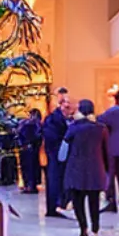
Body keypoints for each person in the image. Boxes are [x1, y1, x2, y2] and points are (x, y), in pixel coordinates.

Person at [59, 99, 110, 236]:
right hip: (96, 171)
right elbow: (106, 153)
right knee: (94, 203)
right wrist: (106, 172)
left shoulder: (74, 128)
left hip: (76, 171)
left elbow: (63, 153)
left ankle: (83, 231)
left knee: (78, 203)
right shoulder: (101, 129)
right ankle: (96, 233)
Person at [41, 88, 73, 218]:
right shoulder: (53, 119)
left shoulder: (62, 119)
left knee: (59, 181)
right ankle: (53, 207)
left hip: (59, 155)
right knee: (54, 180)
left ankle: (59, 204)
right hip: (55, 156)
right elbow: (50, 137)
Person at [17, 108, 44, 194]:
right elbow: (39, 136)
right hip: (33, 149)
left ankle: (29, 185)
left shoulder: (25, 123)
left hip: (25, 148)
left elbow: (19, 134)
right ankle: (32, 185)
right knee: (33, 168)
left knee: (27, 168)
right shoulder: (37, 124)